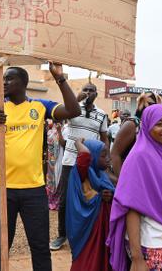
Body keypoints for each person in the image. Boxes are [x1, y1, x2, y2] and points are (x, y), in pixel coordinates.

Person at [0, 63, 80, 271]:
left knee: (40, 245)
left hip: (34, 189)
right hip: (2, 188)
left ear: (24, 83)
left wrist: (59, 78)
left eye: (10, 79)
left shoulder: (39, 107)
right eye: (3, 78)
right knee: (2, 245)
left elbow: (73, 110)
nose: (4, 82)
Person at [107, 104, 162, 271]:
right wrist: (137, 258)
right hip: (149, 244)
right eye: (159, 124)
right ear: (147, 125)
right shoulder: (140, 156)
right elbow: (132, 208)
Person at [50, 83, 109, 251]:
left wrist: (106, 158)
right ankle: (62, 235)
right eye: (86, 90)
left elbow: (104, 138)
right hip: (70, 161)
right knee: (64, 200)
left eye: (91, 90)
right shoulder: (73, 109)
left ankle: (85, 235)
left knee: (89, 197)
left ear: (97, 94)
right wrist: (76, 99)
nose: (88, 93)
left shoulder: (102, 115)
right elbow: (58, 119)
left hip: (90, 163)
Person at [66, 138, 115, 271]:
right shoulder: (82, 171)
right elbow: (85, 155)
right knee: (88, 262)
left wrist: (108, 197)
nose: (109, 159)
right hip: (87, 231)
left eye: (108, 154)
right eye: (103, 155)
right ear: (93, 157)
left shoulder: (101, 175)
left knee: (102, 258)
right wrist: (78, 142)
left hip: (102, 227)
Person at [110, 91, 162, 177]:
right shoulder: (132, 124)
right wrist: (122, 181)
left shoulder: (152, 125)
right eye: (151, 104)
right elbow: (115, 154)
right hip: (130, 175)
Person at [45, 120, 64, 210]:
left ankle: (57, 201)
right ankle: (51, 201)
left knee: (59, 178)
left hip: (60, 157)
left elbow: (63, 144)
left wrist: (59, 131)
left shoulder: (64, 130)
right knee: (51, 180)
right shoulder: (49, 132)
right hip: (51, 159)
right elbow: (47, 145)